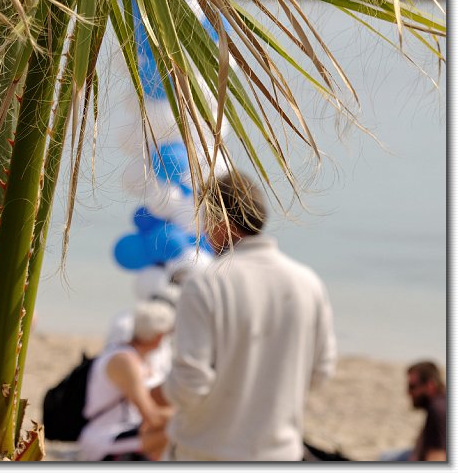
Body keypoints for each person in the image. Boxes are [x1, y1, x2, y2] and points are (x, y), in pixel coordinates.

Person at [154, 170, 337, 461]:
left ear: (222, 223)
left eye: (205, 221)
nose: (202, 232)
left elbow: (191, 382)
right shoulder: (308, 282)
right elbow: (320, 372)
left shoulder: (205, 283)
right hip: (280, 452)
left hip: (207, 452)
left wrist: (158, 392)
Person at [77, 300, 175, 461]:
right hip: (105, 437)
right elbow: (152, 416)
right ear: (159, 337)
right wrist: (188, 416)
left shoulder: (139, 358)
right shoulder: (125, 361)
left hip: (126, 430)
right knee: (178, 428)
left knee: (177, 421)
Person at [406, 361, 446, 461]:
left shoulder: (437, 410)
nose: (408, 392)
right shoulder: (441, 402)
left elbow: (437, 457)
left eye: (412, 387)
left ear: (430, 385)